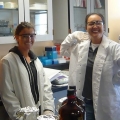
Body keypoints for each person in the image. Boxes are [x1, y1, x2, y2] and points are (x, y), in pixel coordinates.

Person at [60, 13, 120, 120]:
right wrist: (73, 35)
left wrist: (115, 80)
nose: (95, 26)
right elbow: (63, 49)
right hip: (84, 101)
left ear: (104, 26)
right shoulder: (81, 47)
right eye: (91, 23)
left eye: (98, 23)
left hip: (105, 102)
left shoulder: (114, 47)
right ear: (86, 27)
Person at [0, 22, 55, 120]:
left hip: (41, 115)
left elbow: (46, 87)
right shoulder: (7, 61)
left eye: (32, 35)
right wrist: (20, 117)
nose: (29, 39)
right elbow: (7, 94)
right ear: (17, 37)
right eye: (25, 36)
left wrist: (48, 110)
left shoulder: (36, 61)